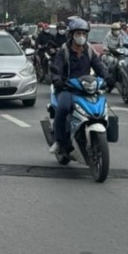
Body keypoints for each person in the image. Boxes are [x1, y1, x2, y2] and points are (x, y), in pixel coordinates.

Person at [48, 17, 109, 155]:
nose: (81, 37)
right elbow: (56, 68)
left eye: (83, 34)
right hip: (68, 88)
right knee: (62, 109)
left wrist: (107, 78)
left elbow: (99, 67)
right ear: (71, 35)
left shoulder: (89, 51)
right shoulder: (64, 51)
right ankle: (59, 141)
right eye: (78, 34)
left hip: (87, 88)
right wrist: (57, 79)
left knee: (102, 108)